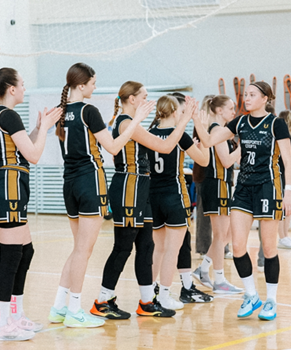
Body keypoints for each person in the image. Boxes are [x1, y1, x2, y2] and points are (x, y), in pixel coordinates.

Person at [50, 63, 152, 327]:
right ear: (81, 84)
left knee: (77, 249)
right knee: (83, 251)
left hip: (69, 184)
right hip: (89, 182)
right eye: (93, 83)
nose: (95, 88)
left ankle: (59, 307)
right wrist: (136, 121)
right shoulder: (88, 111)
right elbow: (114, 147)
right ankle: (74, 310)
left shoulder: (61, 111)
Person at [194, 82, 291, 321]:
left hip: (268, 187)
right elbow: (208, 141)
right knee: (238, 246)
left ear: (265, 98)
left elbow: (288, 161)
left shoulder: (276, 124)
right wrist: (196, 120)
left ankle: (271, 300)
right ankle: (251, 295)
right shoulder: (239, 122)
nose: (246, 98)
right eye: (246, 94)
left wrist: (288, 192)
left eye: (252, 95)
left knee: (269, 247)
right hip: (242, 189)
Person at [98, 83, 192, 318]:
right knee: (123, 247)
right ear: (132, 99)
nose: (148, 100)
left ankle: (147, 302)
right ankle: (102, 300)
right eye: (144, 96)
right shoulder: (125, 122)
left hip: (142, 188)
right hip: (128, 187)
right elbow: (165, 146)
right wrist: (184, 120)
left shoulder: (134, 122)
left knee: (146, 246)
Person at [0, 67, 63, 340]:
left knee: (25, 251)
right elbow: (33, 155)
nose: (25, 88)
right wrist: (47, 129)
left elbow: (19, 146)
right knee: (10, 255)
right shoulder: (7, 114)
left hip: (10, 185)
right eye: (23, 84)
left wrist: (39, 128)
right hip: (7, 187)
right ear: (12, 89)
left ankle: (15, 316)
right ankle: (1, 322)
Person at [147, 95, 211, 310]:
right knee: (172, 251)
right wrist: (202, 139)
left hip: (152, 196)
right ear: (175, 112)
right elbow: (204, 161)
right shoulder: (179, 135)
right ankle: (165, 296)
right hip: (174, 196)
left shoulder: (148, 133)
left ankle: (150, 293)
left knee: (157, 249)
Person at [191, 94, 244, 293]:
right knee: (221, 234)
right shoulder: (217, 130)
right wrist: (243, 146)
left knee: (227, 233)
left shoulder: (222, 131)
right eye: (231, 108)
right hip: (216, 183)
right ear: (219, 110)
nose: (234, 112)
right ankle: (219, 280)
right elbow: (227, 161)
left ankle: (203, 268)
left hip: (222, 183)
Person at [276, 110, 291, 250]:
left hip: (290, 174)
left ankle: (285, 235)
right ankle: (282, 236)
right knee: (284, 207)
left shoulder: (290, 138)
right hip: (286, 173)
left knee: (288, 208)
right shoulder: (287, 138)